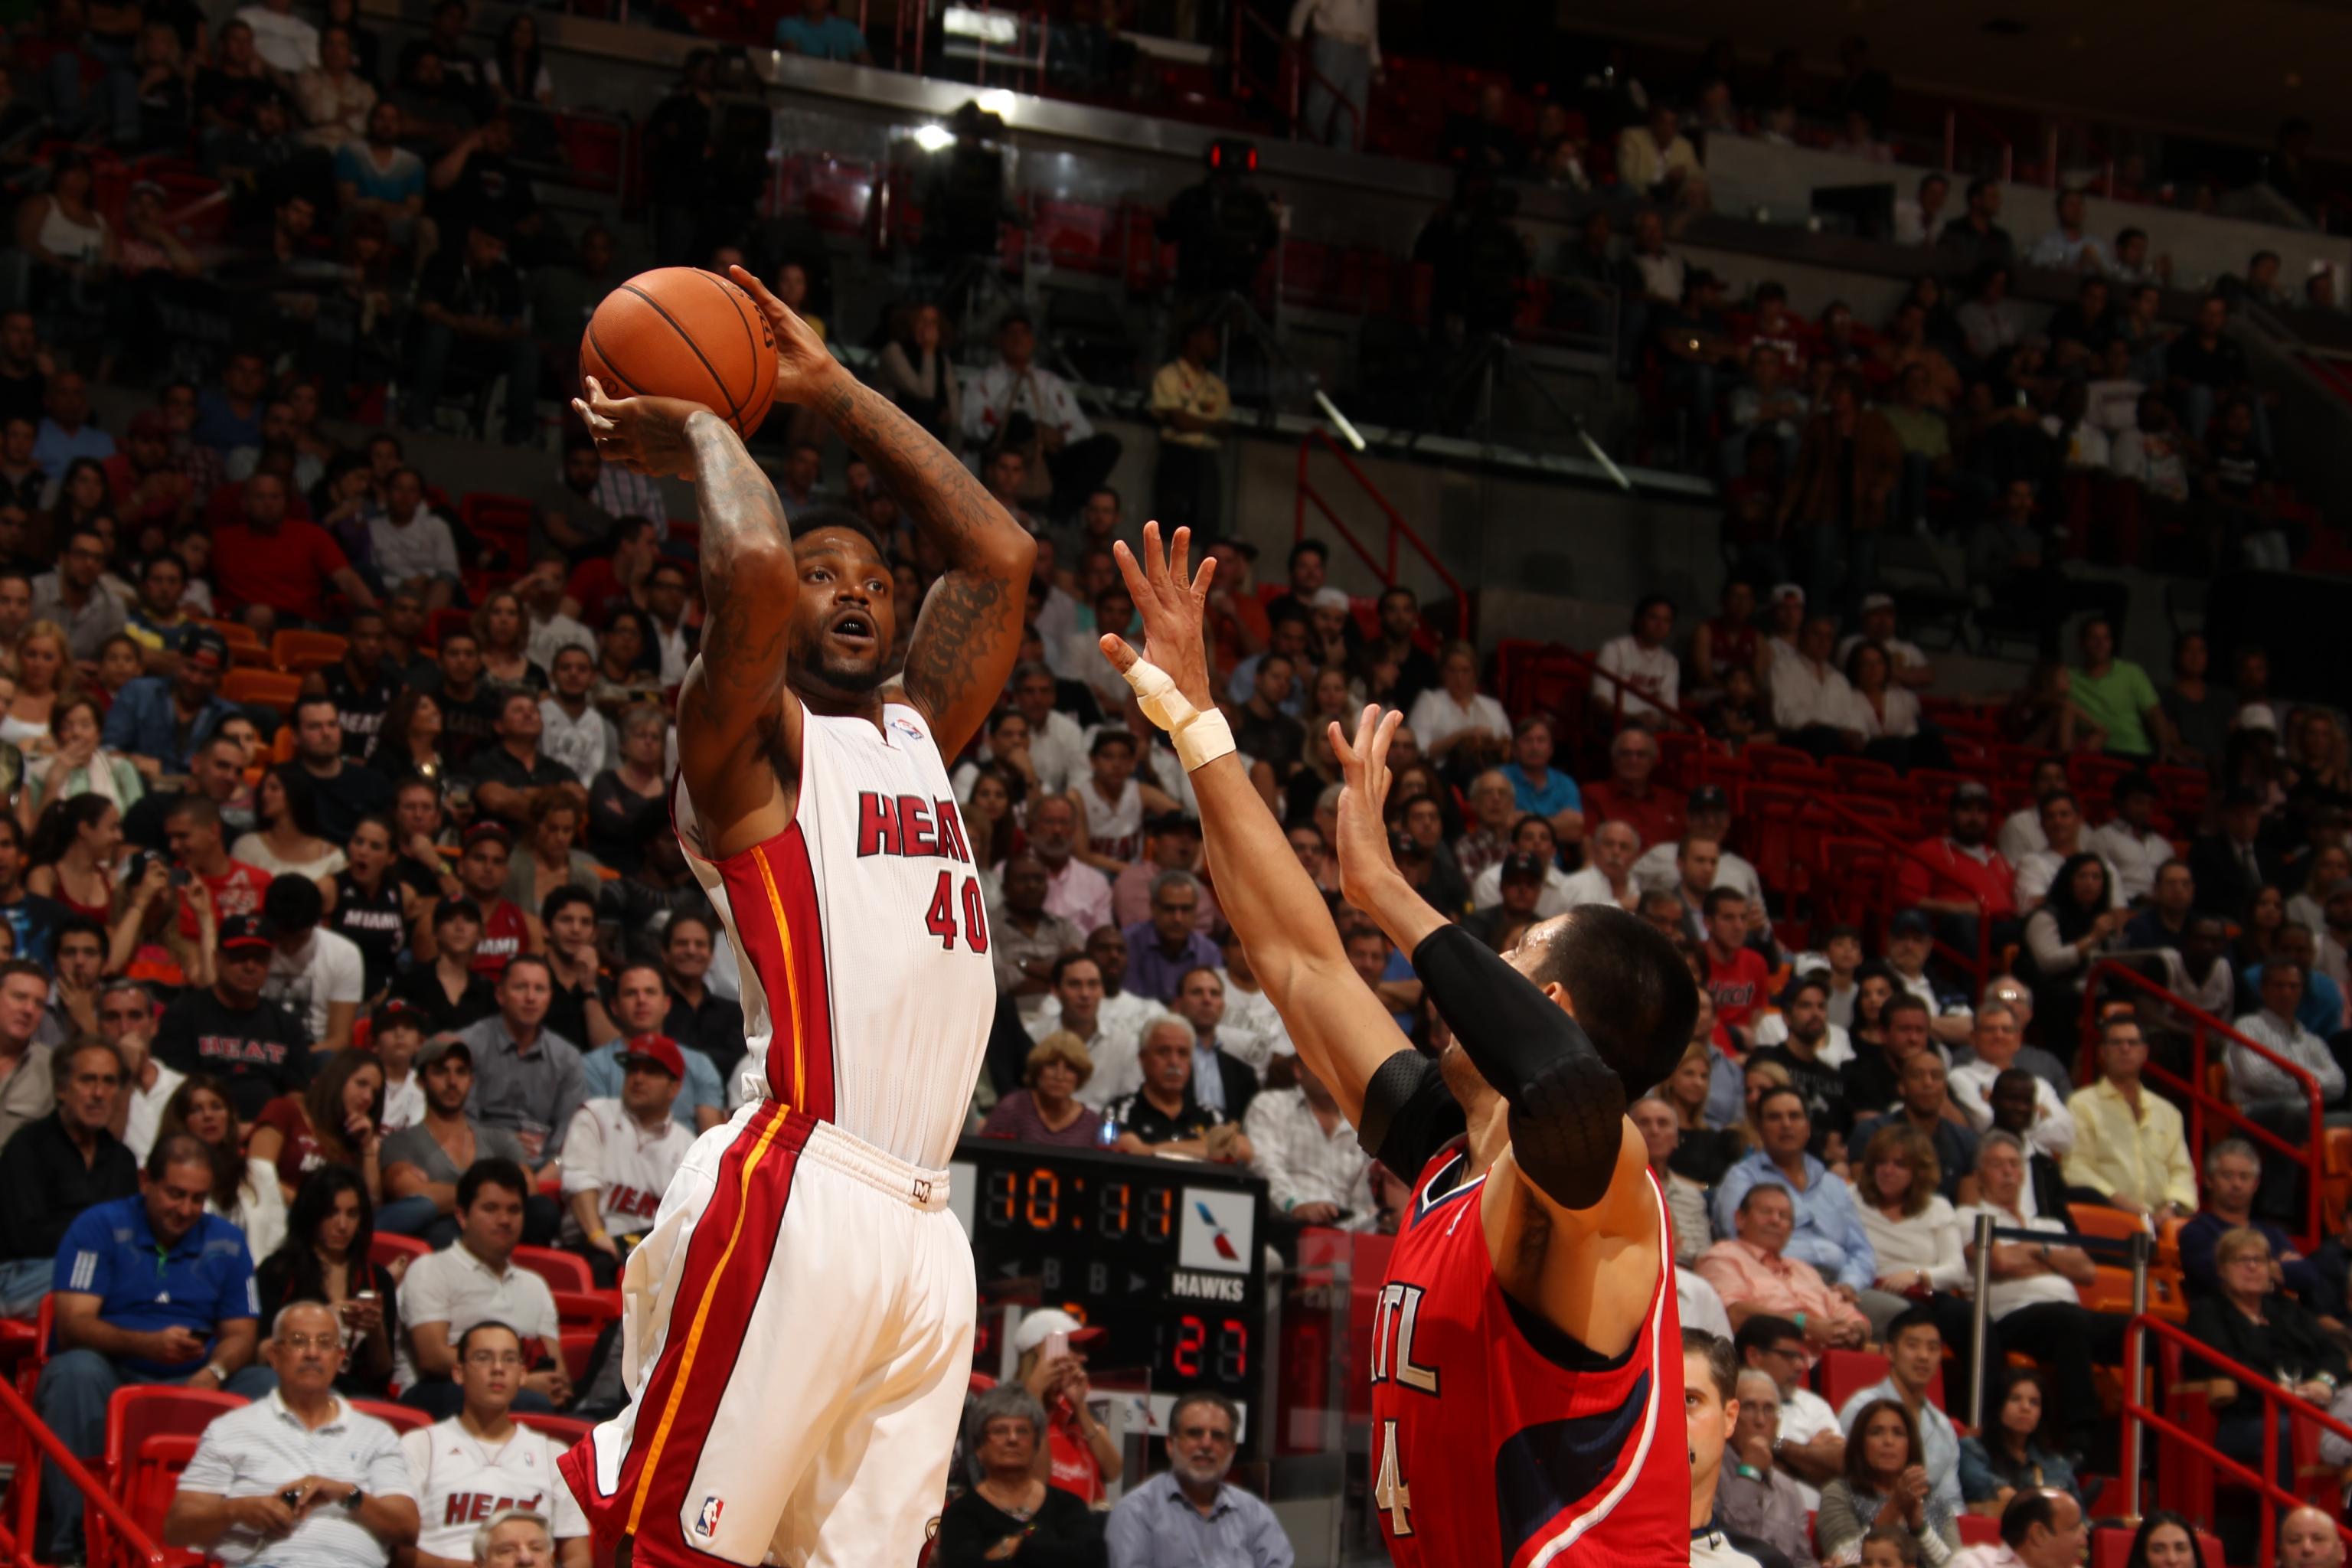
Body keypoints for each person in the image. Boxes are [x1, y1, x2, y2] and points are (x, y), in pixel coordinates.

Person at [1105, 518, 1715, 1552]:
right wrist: (1194, 718)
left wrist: (1388, 890)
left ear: (1551, 1012)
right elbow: (1296, 957)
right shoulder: (1446, 1157)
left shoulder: (1607, 1187)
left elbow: (1566, 1090)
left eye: (1516, 953)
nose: (1482, 963)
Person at [562, 264, 1034, 1560]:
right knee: (676, 1542)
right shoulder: (747, 751)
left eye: (875, 576)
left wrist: (832, 388)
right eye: (830, 573)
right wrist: (712, 425)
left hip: (930, 1224)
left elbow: (999, 555)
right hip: (797, 1180)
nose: (856, 590)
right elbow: (755, 575)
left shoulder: (915, 735)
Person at [38, 1133, 277, 1554]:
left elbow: (242, 1334)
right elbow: (73, 1325)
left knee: (266, 1384)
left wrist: (215, 1372)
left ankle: (256, 1548)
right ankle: (75, 1544)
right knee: (75, 1370)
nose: (186, 1210)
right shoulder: (98, 1227)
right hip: (114, 1371)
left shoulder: (227, 1241)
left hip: (197, 1376)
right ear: (146, 1180)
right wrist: (146, 1345)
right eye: (175, 1194)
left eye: (198, 1199)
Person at [162, 1299, 420, 1568]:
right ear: (274, 1357)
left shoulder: (376, 1434)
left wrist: (344, 1493)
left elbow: (407, 1529)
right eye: (298, 1341)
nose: (312, 1353)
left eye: (324, 1343)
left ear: (340, 1359)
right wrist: (237, 1510)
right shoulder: (230, 1429)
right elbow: (178, 1528)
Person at [1958, 1133, 2123, 1456]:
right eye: (1997, 1165)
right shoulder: (1969, 1217)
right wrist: (2053, 1261)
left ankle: (2154, 1445)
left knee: (2142, 1331)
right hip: (2009, 1317)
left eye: (2014, 1165)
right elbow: (2000, 1261)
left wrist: (2037, 1249)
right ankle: (2081, 1438)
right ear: (1979, 1176)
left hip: (2065, 1314)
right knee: (2067, 1320)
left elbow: (2087, 1272)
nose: (2007, 1173)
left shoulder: (2049, 1225)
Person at [402, 1321, 592, 1568]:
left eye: (510, 1359)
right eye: (483, 1358)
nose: (498, 1368)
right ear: (458, 1372)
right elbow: (399, 1552)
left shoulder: (553, 1454)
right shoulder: (420, 1445)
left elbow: (577, 1558)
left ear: (523, 1374)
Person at [394, 1158, 567, 1417]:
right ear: (462, 1216)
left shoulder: (535, 1285)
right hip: (440, 1392)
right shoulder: (431, 1269)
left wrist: (552, 1385)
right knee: (531, 1404)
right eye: (491, 1208)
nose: (504, 1220)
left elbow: (557, 1368)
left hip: (521, 1395)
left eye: (514, 1210)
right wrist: (519, 1382)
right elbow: (433, 1357)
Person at [0, 1037, 134, 1313]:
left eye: (109, 1082)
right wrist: (101, 1238)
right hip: (27, 1277)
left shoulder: (123, 1160)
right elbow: (25, 1239)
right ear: (61, 1089)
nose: (99, 1093)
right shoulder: (27, 1146)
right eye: (87, 1080)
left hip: (101, 1271)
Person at [253, 1166, 402, 1397]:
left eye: (352, 1214)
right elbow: (260, 1352)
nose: (342, 1225)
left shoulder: (377, 1278)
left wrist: (376, 1331)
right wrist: (325, 1318)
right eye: (331, 1213)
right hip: (292, 1383)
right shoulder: (278, 1270)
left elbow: (382, 1373)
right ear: (311, 1214)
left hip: (355, 1391)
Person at [558, 1034, 694, 1286]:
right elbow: (579, 1180)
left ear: (674, 1088)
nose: (638, 1078)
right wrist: (597, 1234)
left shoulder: (687, 1145)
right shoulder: (595, 1116)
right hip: (592, 1244)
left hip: (649, 1248)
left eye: (651, 1072)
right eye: (633, 1069)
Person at [153, 914, 313, 1121]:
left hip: (267, 1134)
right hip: (202, 1128)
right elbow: (175, 1090)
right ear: (217, 959)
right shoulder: (184, 1013)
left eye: (260, 958)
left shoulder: (286, 1023)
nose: (250, 966)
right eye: (240, 956)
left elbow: (296, 1095)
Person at [1103, 1391, 1289, 1568]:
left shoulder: (1255, 1514)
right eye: (1194, 1433)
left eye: (1218, 1436)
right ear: (1170, 1445)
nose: (1206, 1444)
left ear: (1232, 1451)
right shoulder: (1136, 1512)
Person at [377, 1039, 533, 1245]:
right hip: (440, 1240)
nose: (452, 1081)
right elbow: (415, 1196)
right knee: (445, 1232)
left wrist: (446, 1194)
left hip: (502, 1236)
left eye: (461, 1072)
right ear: (421, 1081)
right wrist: (493, 1196)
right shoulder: (400, 1142)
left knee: (542, 1211)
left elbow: (528, 1187)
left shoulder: (500, 1138)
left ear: (471, 1080)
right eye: (441, 1072)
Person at [936, 1383, 1107, 1567]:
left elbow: (1092, 1557)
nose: (1012, 1439)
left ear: (1036, 1445)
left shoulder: (1068, 1505)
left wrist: (1017, 1547)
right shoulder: (961, 1513)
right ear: (979, 1447)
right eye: (1000, 1430)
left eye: (1023, 1431)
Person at [1699, 1181, 1873, 1348]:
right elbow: (1733, 1313)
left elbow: (1848, 1313)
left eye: (1784, 1216)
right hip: (1761, 1362)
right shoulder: (1723, 1257)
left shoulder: (1804, 1269)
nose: (1775, 1220)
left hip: (1825, 1361)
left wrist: (1856, 1331)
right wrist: (1804, 1324)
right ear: (1740, 1219)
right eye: (1766, 1212)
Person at [453, 956, 586, 1167]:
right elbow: (458, 1122)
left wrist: (550, 1172)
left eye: (539, 989)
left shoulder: (567, 1057)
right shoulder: (468, 1046)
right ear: (500, 995)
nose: (531, 998)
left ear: (550, 997)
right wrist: (504, 1143)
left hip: (544, 1165)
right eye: (521, 987)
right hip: (477, 1160)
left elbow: (570, 1130)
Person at [2063, 1014, 2196, 1221]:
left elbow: (2182, 1171)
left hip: (2163, 1222)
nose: (2125, 1049)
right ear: (2102, 1052)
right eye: (2116, 1043)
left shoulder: (2168, 1111)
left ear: (2144, 1052)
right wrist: (2132, 1209)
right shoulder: (2081, 1104)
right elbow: (2076, 1168)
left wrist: (2170, 1209)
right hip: (2105, 1216)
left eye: (2132, 1043)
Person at [1836, 1307, 1964, 1520]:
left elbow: (1951, 1502)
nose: (1924, 1356)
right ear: (1890, 1351)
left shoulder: (1943, 1426)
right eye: (1913, 1346)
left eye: (1933, 1348)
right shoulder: (1862, 1407)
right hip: (1865, 1521)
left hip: (1927, 1532)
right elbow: (1844, 1478)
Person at [1686, 1332, 1796, 1568]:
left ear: (1729, 1417)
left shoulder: (1767, 1564)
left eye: (1690, 1400)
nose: (1671, 1419)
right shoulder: (1592, 1547)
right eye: (1658, 1400)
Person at [1815, 1398, 1961, 1566]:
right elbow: (1840, 1560)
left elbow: (1957, 1565)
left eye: (1898, 1433)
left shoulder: (1937, 1505)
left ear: (1910, 1444)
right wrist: (1895, 1506)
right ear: (1860, 1443)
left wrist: (1919, 1528)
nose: (1888, 1441)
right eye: (1876, 1432)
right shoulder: (1839, 1493)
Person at [1956, 1367, 2080, 1518]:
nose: (2026, 1408)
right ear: (1998, 1406)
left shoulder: (2058, 1464)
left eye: (2034, 1402)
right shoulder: (1972, 1449)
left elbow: (2081, 1521)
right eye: (2015, 1399)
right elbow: (2004, 1497)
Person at [980, 1032, 1106, 1149]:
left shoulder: (1092, 1123)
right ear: (1038, 1070)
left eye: (1070, 1068)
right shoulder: (1012, 1108)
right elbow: (986, 1158)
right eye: (1051, 1065)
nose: (1059, 1076)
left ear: (1079, 1076)